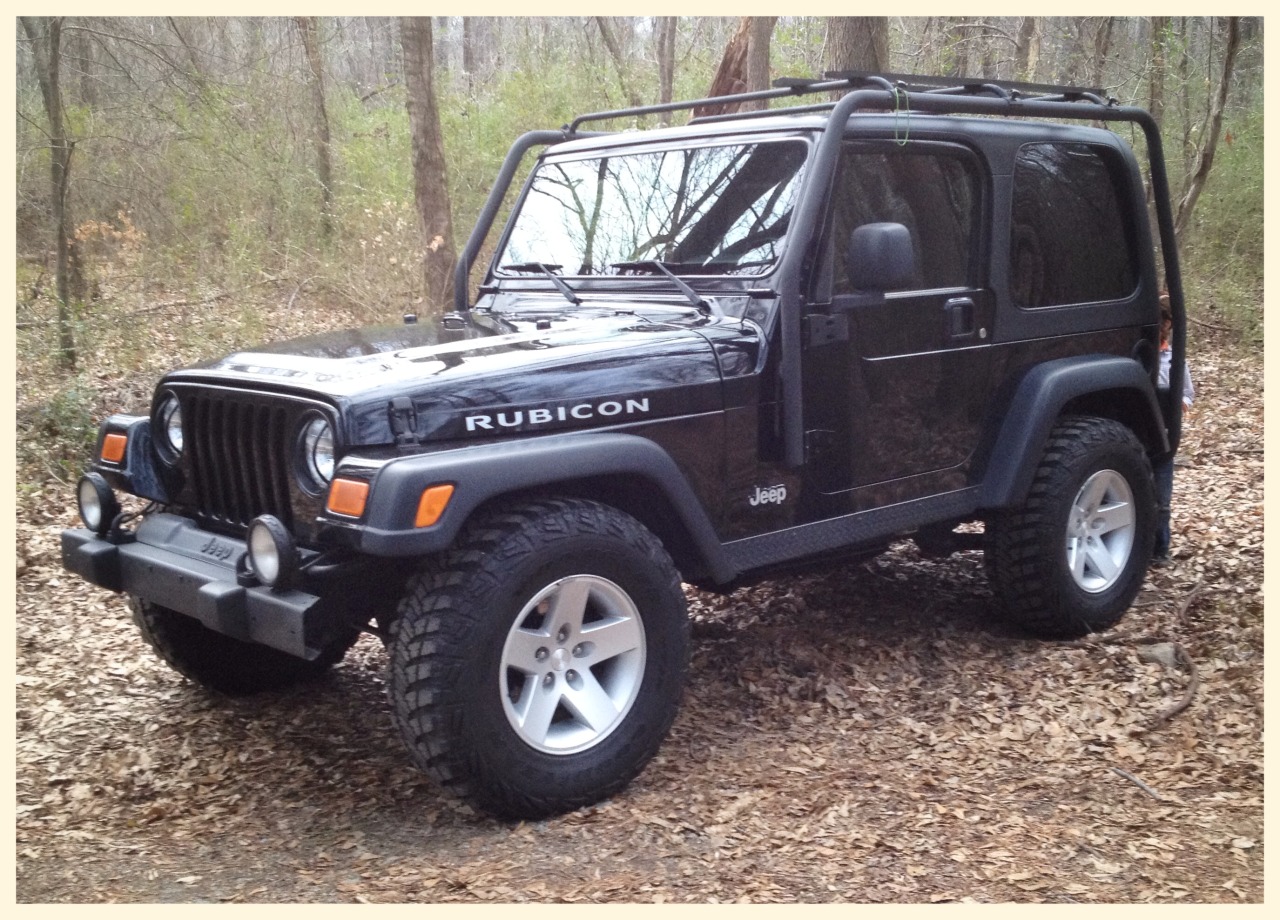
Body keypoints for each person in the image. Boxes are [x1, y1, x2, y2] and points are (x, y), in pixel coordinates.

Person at [1153, 292, 1194, 563]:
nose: (1160, 326)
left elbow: (1189, 393)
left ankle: (1160, 548)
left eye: (1163, 321)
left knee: (1161, 498)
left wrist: (1180, 402)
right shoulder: (1139, 353)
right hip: (1137, 434)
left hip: (1165, 435)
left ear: (1168, 324)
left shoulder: (1175, 358)